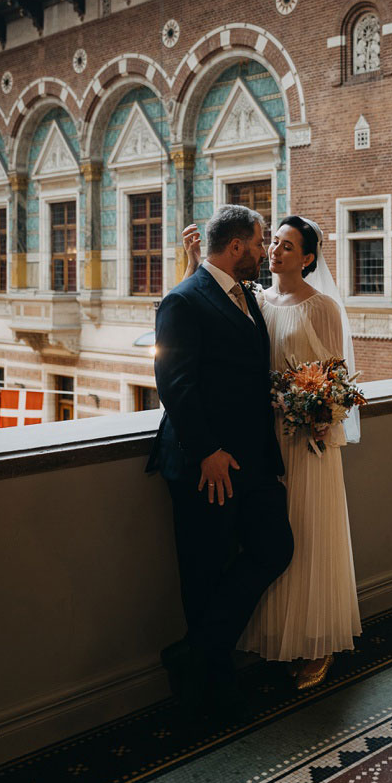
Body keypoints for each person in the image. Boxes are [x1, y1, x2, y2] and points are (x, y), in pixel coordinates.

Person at [183, 215, 362, 690]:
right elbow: (199, 312)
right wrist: (191, 263)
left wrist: (316, 410)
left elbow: (337, 383)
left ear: (307, 258)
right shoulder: (255, 301)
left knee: (309, 535)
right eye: (273, 242)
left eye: (286, 246)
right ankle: (279, 637)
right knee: (273, 545)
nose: (276, 251)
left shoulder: (322, 307)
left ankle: (318, 642)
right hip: (264, 443)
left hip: (307, 441)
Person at [149, 204, 293, 721]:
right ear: (235, 247)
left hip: (251, 462)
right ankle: (209, 688)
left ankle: (192, 655)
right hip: (202, 465)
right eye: (259, 243)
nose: (264, 252)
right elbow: (175, 384)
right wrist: (206, 451)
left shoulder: (246, 298)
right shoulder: (183, 301)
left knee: (275, 546)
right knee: (203, 573)